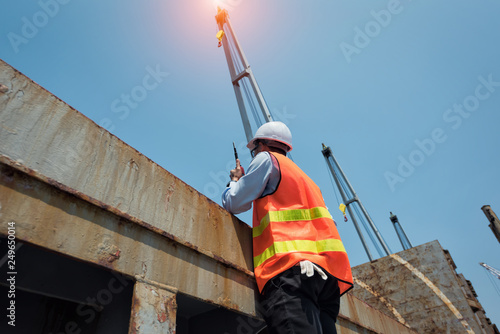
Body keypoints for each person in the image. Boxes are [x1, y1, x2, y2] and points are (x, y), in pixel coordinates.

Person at [222, 121, 353, 334]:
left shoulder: (266, 160)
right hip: (327, 279)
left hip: (291, 271)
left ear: (262, 145)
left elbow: (235, 203)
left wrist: (235, 181)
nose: (254, 154)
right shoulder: (308, 181)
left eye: (254, 149)